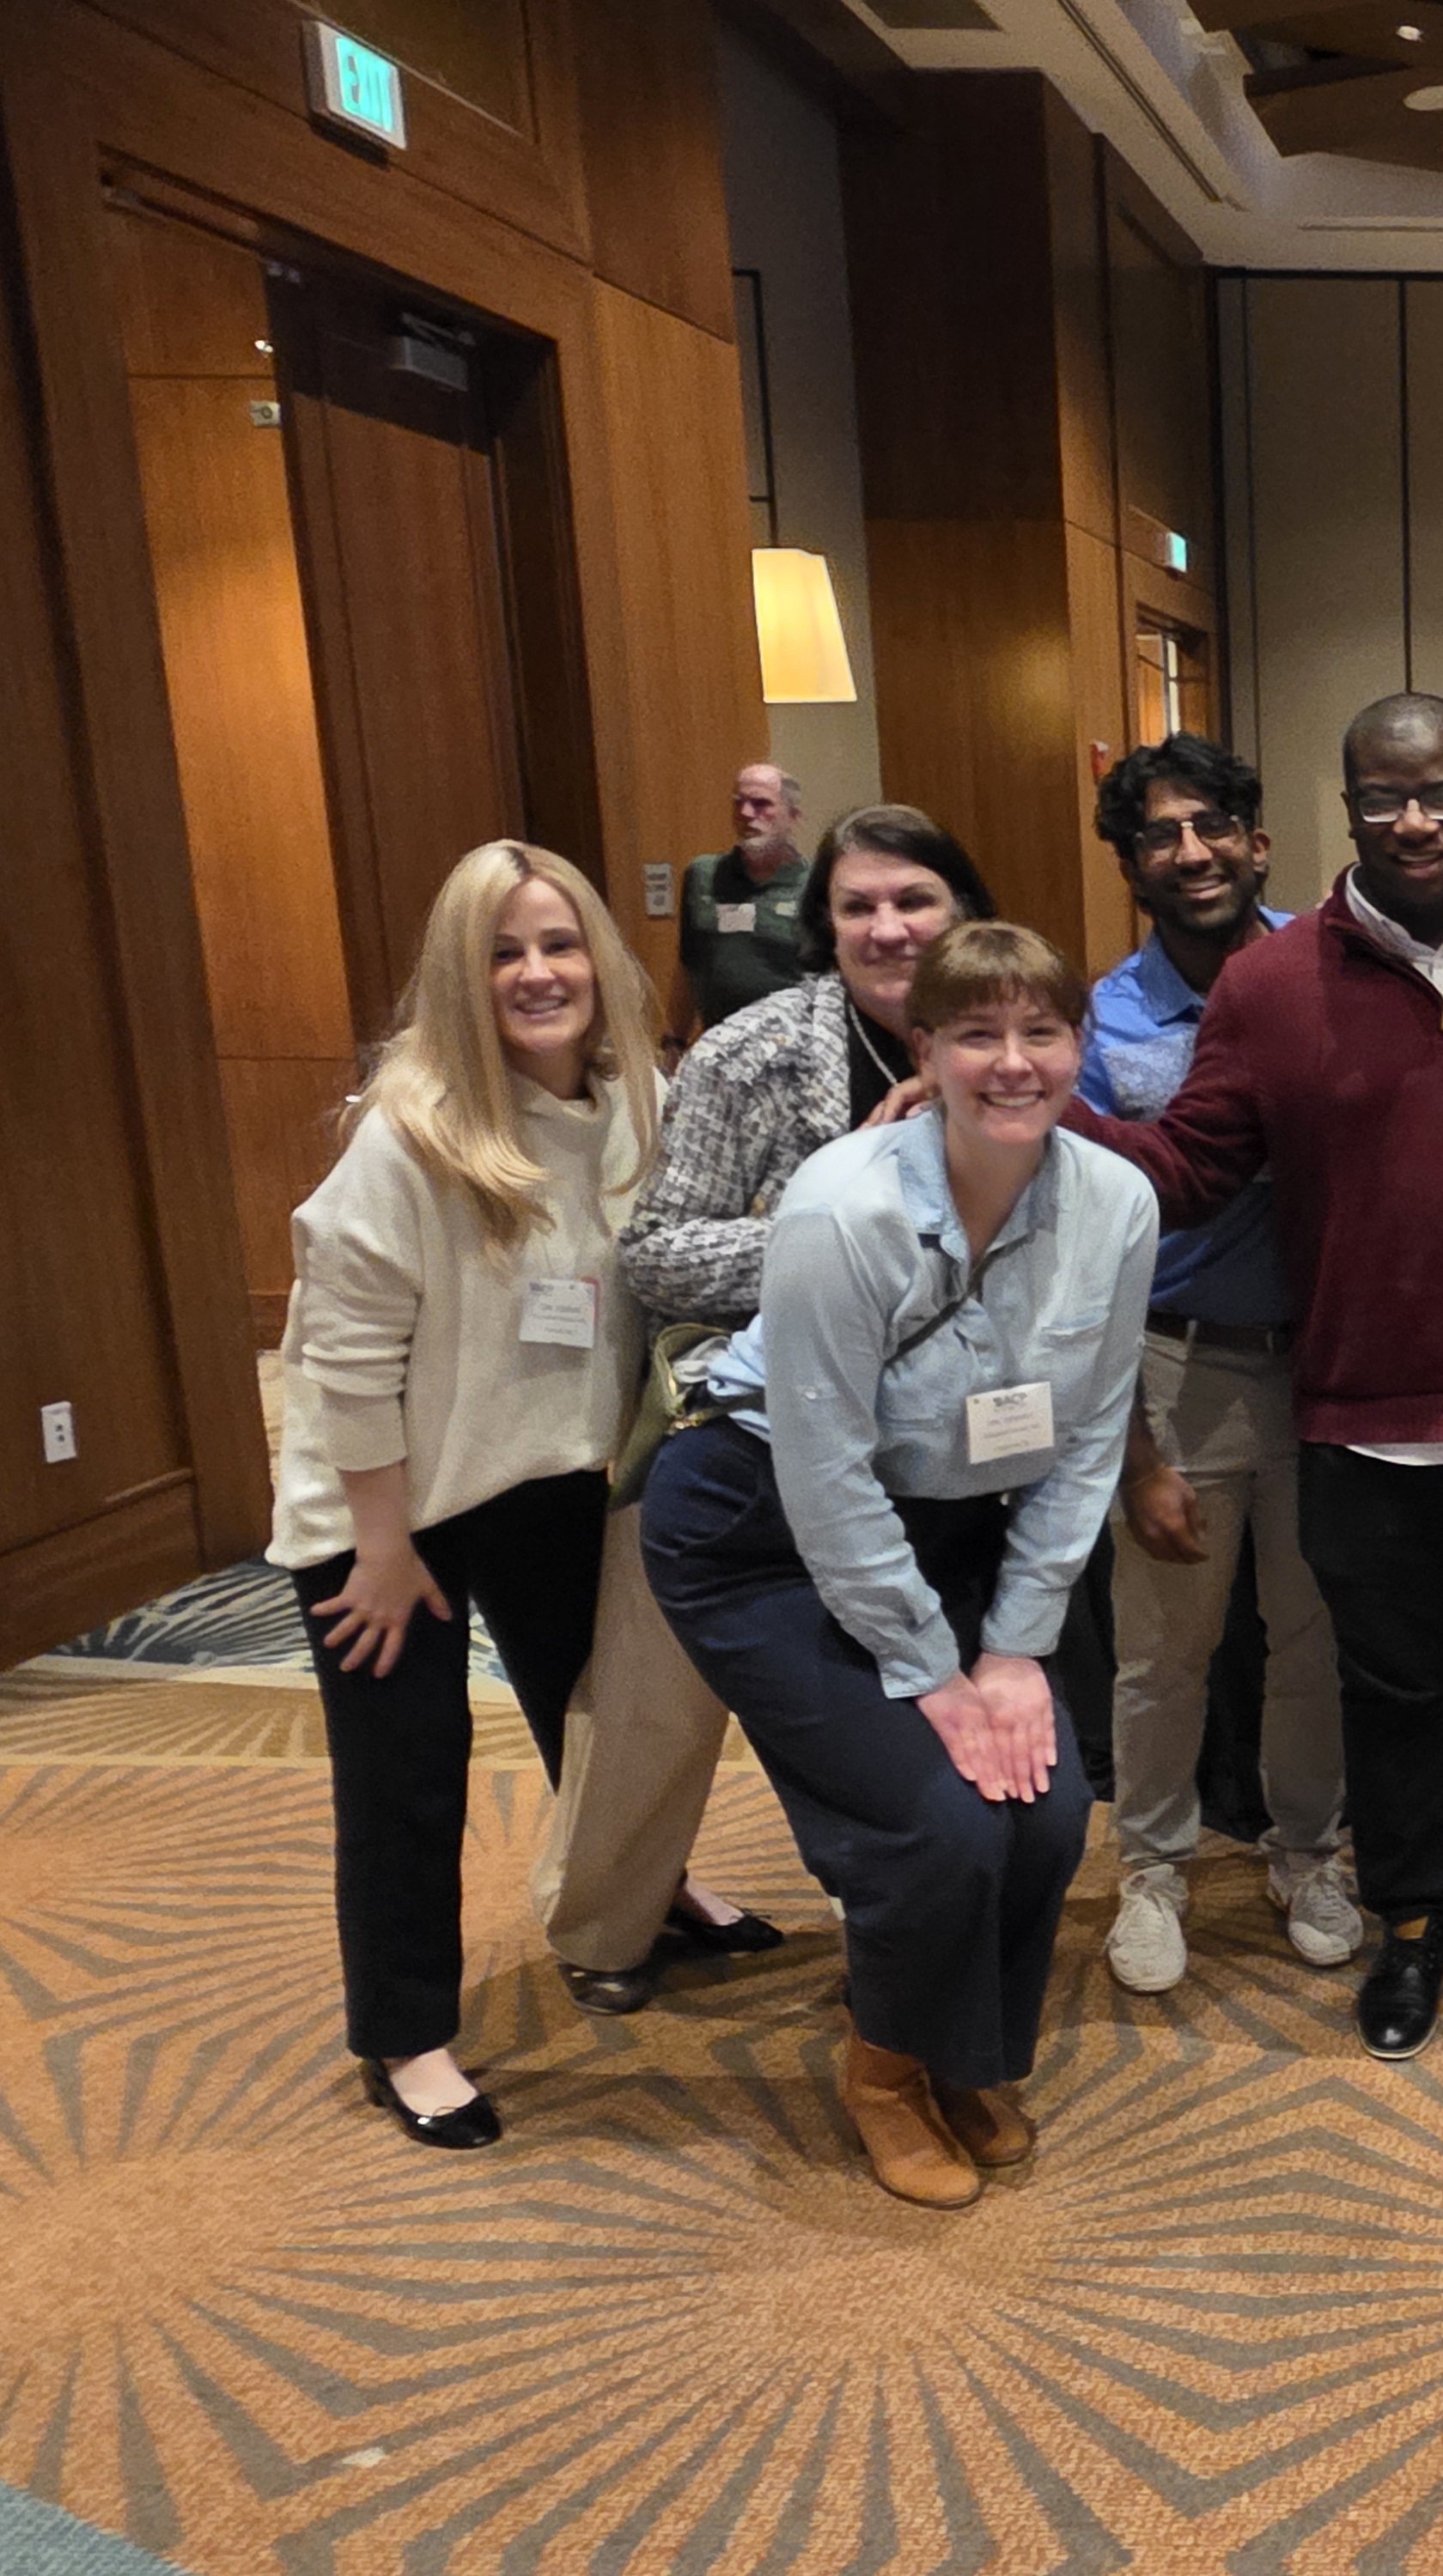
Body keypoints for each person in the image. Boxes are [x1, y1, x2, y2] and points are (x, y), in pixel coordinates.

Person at [1068, 694, 1443, 2065]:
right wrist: (1042, 1117)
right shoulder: (1269, 989)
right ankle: (1416, 1920)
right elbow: (1192, 1171)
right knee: (1388, 1690)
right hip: (1363, 1419)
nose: (1415, 820)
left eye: (1442, 792)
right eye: (1382, 797)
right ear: (1344, 810)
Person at [642, 921, 1154, 2208]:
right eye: (976, 1033)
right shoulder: (842, 1206)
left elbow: (1087, 1445)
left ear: (1078, 1050)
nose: (1013, 1062)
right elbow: (820, 1474)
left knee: (1045, 1811)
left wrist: (1016, 1651)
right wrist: (933, 1674)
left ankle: (963, 2054)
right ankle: (884, 2072)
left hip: (950, 1527)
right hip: (759, 1530)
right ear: (923, 1052)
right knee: (934, 1823)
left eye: (1041, 1031)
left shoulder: (1117, 1203)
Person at [558, 805, 999, 2017]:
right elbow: (658, 1255)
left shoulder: (1003, 1039)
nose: (888, 928)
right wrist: (835, 1216)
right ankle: (606, 1921)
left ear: (963, 910)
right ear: (824, 929)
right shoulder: (751, 1052)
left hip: (930, 1446)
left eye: (914, 900)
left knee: (896, 1720)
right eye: (857, 908)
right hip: (749, 1437)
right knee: (661, 1710)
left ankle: (907, 1953)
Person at [271, 841, 661, 2147]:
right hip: (387, 1503)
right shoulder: (413, 1135)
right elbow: (342, 1361)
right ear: (460, 975)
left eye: (558, 945)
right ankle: (406, 2035)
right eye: (503, 952)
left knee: (607, 1708)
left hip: (541, 1468)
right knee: (410, 1771)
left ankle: (639, 1897)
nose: (538, 973)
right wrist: (381, 1551)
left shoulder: (634, 1100)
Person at [1081, 733, 1355, 1993]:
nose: (1189, 852)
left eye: (1211, 827)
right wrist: (1128, 1436)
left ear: (1256, 839)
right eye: (1159, 834)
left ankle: (1310, 1847)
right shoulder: (1110, 1017)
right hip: (1177, 1362)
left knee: (1310, 1632)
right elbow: (1087, 1217)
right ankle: (1152, 1868)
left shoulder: (1331, 968)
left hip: (1332, 1360)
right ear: (1132, 861)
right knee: (1165, 1644)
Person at [677, 764, 813, 1037]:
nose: (746, 814)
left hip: (795, 1046)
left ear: (793, 815)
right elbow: (688, 965)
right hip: (720, 1044)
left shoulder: (816, 884)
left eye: (761, 804)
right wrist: (675, 1041)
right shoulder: (704, 875)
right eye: (739, 803)